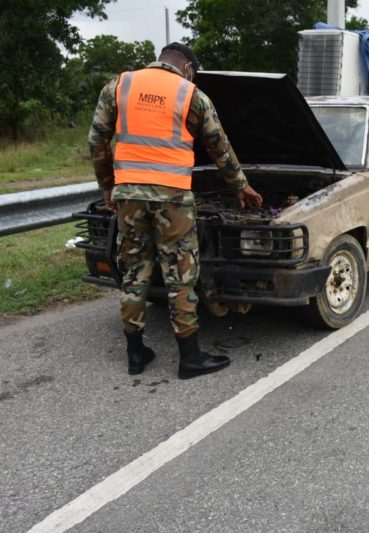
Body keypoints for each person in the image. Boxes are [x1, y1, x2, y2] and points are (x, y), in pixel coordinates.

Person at [88, 43, 263, 379]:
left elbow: (97, 141)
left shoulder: (119, 85)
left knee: (134, 271)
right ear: (187, 68)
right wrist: (241, 187)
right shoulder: (190, 94)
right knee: (180, 274)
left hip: (128, 195)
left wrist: (108, 187)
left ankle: (136, 354)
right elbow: (219, 146)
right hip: (171, 197)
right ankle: (190, 357)